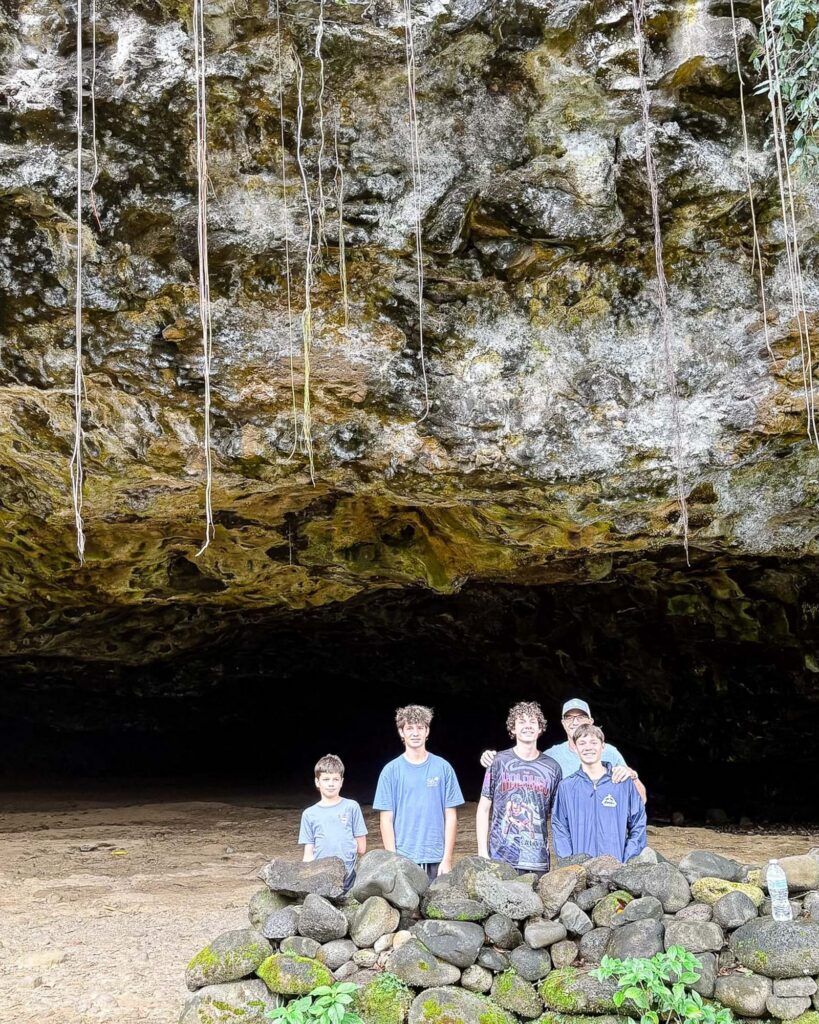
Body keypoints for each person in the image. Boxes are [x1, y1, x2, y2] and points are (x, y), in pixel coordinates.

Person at [481, 698, 646, 803]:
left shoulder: (609, 752)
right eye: (569, 717)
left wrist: (633, 775)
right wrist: (494, 757)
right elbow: (524, 763)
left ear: (591, 721)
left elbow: (641, 798)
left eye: (580, 717)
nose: (575, 722)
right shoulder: (552, 756)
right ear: (562, 723)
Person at [373, 704, 464, 880]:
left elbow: (451, 817)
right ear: (401, 732)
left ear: (427, 731)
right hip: (404, 858)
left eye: (420, 728)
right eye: (409, 728)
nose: (415, 733)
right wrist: (394, 861)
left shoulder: (443, 768)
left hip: (436, 858)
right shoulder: (390, 771)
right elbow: (386, 820)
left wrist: (447, 859)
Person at [476, 701, 562, 874]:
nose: (527, 726)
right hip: (500, 858)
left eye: (533, 722)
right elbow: (483, 809)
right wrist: (482, 853)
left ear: (540, 728)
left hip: (538, 860)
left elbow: (558, 817)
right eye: (521, 721)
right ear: (512, 729)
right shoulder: (498, 762)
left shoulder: (553, 768)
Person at [551, 724, 646, 861]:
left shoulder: (622, 783)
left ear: (603, 746)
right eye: (582, 743)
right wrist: (570, 864)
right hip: (580, 872)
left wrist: (628, 861)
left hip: (616, 869)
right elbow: (560, 829)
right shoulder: (566, 787)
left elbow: (638, 823)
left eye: (593, 742)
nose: (588, 747)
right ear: (576, 749)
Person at [299, 753, 368, 892]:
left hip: (348, 877)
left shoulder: (351, 807)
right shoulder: (309, 814)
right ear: (317, 782)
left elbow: (362, 848)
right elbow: (308, 853)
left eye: (335, 779)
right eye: (326, 779)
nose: (331, 784)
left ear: (341, 781)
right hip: (320, 876)